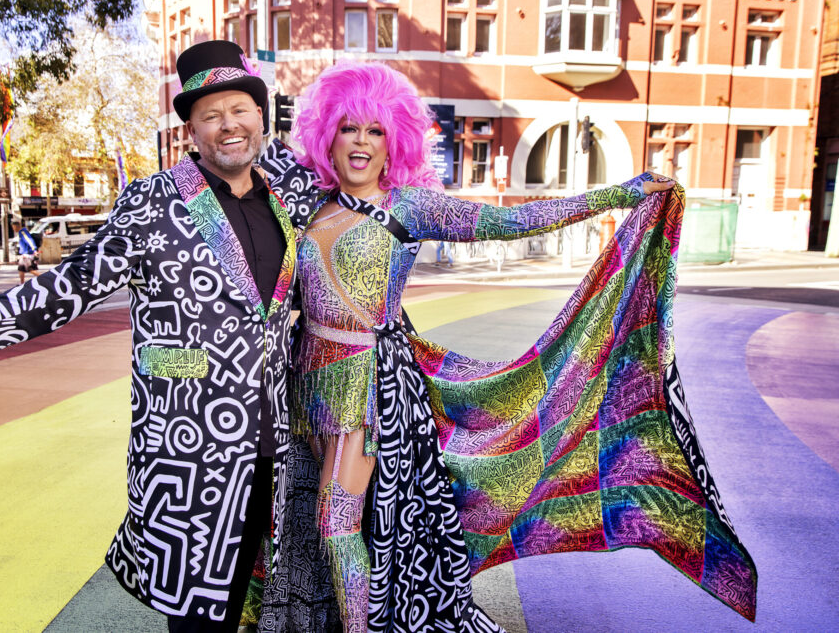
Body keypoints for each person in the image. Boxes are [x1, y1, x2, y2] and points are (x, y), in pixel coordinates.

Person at [0, 40, 330, 632]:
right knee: (197, 614)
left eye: (240, 109)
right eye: (211, 115)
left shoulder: (290, 195)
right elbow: (71, 286)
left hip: (275, 439)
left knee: (260, 602)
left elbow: (355, 213)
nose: (229, 125)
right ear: (190, 129)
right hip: (190, 449)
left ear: (262, 116)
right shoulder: (153, 202)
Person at [282, 62, 755, 632]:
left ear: (394, 142)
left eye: (375, 130)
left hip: (369, 390)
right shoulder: (309, 207)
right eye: (348, 128)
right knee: (312, 526)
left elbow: (512, 222)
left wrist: (615, 195)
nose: (360, 142)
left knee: (337, 522)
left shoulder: (407, 207)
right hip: (307, 388)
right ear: (326, 134)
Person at [13, 219, 41, 284]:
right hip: (24, 255)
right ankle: (21, 283)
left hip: (27, 254)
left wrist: (34, 249)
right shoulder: (21, 232)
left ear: (17, 226)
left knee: (31, 270)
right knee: (21, 269)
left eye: (13, 227)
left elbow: (29, 240)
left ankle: (44, 278)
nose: (13, 229)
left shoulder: (23, 232)